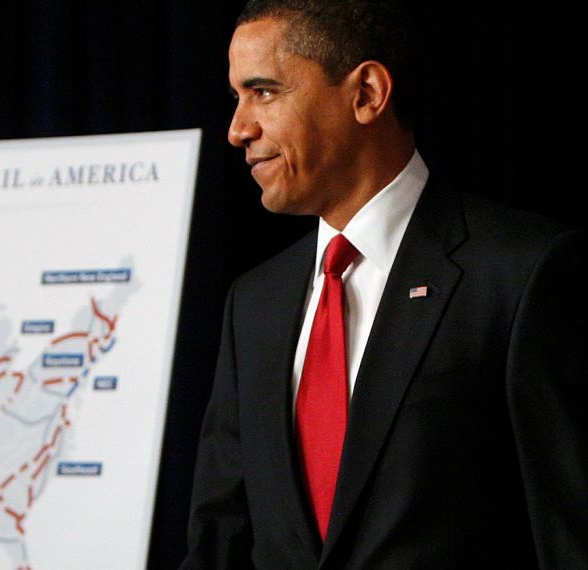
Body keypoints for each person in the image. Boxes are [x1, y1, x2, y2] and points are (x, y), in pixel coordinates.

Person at [182, 0, 587, 567]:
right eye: (237, 97)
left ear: (367, 94)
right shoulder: (252, 304)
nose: (237, 129)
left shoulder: (522, 272)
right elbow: (219, 539)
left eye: (264, 91)